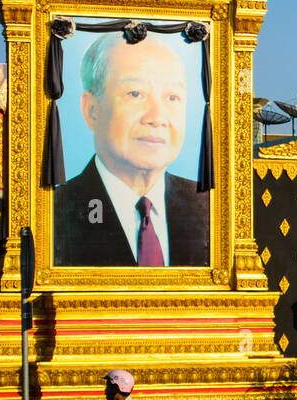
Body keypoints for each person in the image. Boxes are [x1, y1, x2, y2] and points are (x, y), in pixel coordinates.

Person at [53, 32, 209, 267]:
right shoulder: (55, 212)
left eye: (172, 97)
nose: (157, 117)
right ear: (92, 110)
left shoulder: (208, 208)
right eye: (135, 94)